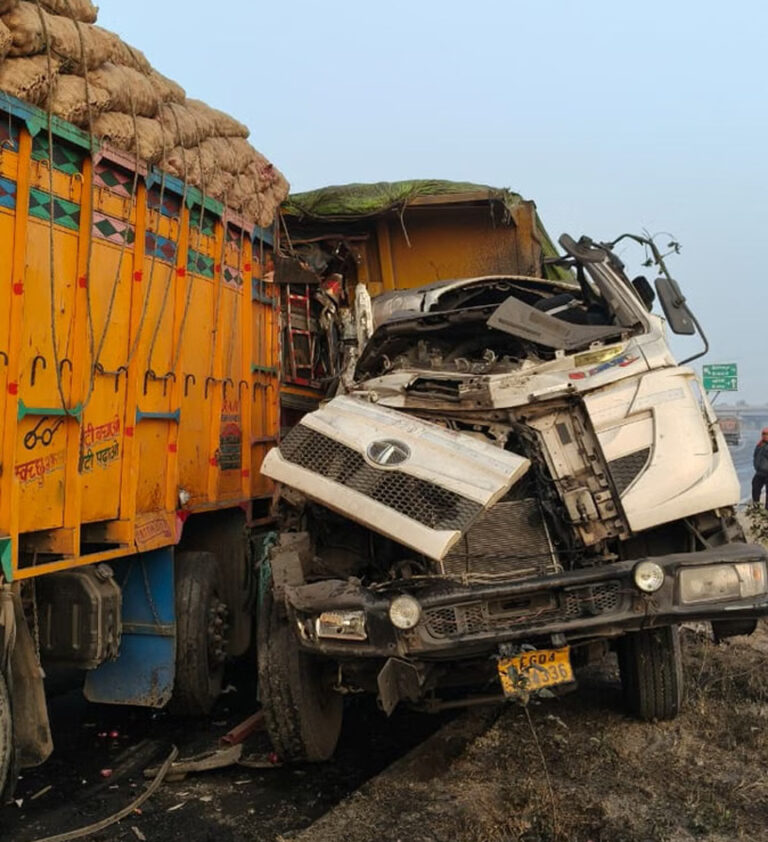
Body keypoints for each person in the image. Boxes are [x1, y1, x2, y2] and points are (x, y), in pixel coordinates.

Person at [752, 428, 768, 507]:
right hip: (759, 472)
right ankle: (756, 508)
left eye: (766, 434)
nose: (764, 436)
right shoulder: (760, 445)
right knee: (755, 488)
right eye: (763, 434)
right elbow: (755, 456)